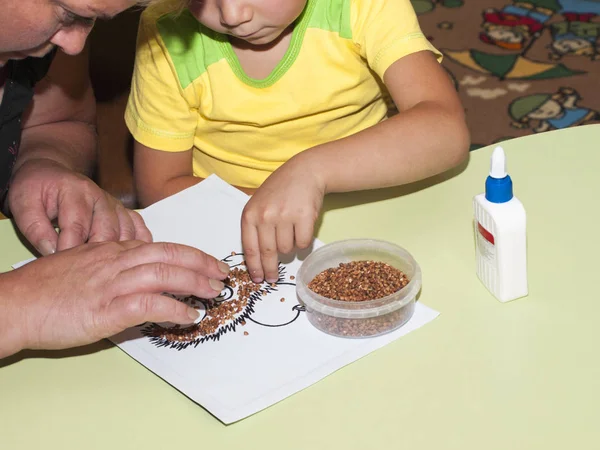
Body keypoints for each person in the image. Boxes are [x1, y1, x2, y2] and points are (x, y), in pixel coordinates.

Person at [127, 0, 470, 284]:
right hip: (232, 224)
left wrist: (312, 171)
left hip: (368, 206)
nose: (232, 15)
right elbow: (159, 188)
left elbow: (446, 129)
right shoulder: (165, 29)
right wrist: (272, 207)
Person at [0, 0, 229, 359]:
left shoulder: (48, 42)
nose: (76, 44)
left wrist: (40, 162)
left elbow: (55, 123)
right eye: (68, 13)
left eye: (92, 20)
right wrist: (17, 306)